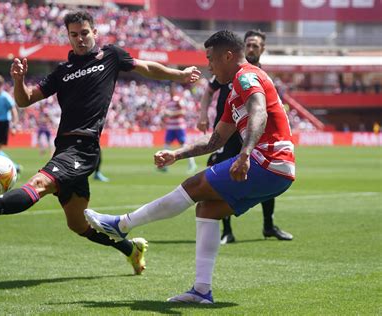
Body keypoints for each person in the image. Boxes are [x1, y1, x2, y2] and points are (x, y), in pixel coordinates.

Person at [0, 11, 201, 275]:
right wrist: (18, 81)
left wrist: (178, 75)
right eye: (74, 35)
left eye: (85, 33)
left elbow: (146, 67)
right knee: (78, 224)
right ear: (68, 37)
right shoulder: (62, 72)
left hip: (84, 147)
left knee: (39, 184)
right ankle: (130, 249)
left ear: (94, 33)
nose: (80, 39)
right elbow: (25, 99)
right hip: (65, 148)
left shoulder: (110, 56)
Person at [84, 30, 296, 303]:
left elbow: (259, 111)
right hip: (278, 171)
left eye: (211, 59)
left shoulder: (246, 76)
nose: (208, 66)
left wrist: (245, 154)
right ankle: (202, 291)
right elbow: (213, 141)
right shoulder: (234, 94)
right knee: (207, 209)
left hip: (267, 161)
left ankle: (122, 225)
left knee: (193, 186)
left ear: (228, 56)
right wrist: (177, 154)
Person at [197, 29, 292, 244]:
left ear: (262, 49)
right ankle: (226, 230)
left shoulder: (259, 75)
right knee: (222, 175)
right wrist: (203, 113)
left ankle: (268, 226)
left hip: (253, 132)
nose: (250, 49)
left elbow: (265, 108)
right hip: (228, 133)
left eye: (255, 46)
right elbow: (209, 90)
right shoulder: (228, 68)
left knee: (265, 174)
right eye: (248, 44)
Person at [159, 83, 197, 173]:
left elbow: (183, 111)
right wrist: (164, 116)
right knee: (166, 146)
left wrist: (171, 114)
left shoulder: (178, 100)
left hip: (178, 126)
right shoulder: (169, 101)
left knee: (183, 146)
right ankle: (164, 165)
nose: (170, 91)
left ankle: (192, 164)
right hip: (170, 126)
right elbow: (168, 113)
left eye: (171, 89)